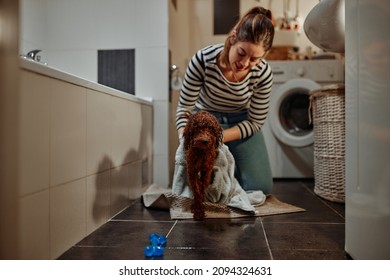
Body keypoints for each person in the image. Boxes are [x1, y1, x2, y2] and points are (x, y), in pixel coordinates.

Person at [175, 6, 275, 195]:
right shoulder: (203, 60)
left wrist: (218, 137)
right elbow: (184, 110)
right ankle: (225, 176)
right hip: (205, 121)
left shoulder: (263, 73)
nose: (245, 63)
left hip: (241, 124)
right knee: (200, 188)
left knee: (261, 188)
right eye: (242, 52)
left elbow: (255, 122)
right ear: (233, 37)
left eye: (254, 59)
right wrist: (185, 139)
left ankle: (230, 172)